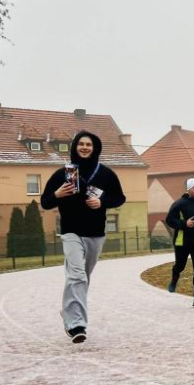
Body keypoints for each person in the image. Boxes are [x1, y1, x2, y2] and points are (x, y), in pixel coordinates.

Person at [41, 131, 126, 344]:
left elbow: (120, 197)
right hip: (71, 231)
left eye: (89, 144)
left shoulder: (105, 174)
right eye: (81, 144)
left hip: (96, 233)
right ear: (75, 147)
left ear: (95, 148)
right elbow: (45, 202)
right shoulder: (63, 174)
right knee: (77, 275)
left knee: (82, 278)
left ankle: (69, 311)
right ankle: (76, 324)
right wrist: (58, 195)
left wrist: (102, 202)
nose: (85, 147)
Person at [165, 178, 194, 307]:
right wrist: (184, 224)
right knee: (180, 265)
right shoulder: (179, 204)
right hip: (182, 242)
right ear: (189, 190)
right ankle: (175, 277)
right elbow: (169, 220)